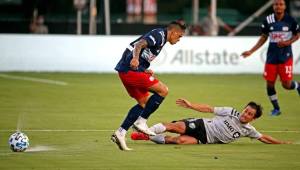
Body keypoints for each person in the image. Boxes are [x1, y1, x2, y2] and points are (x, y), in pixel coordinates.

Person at [111, 19, 186, 151]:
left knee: (144, 103)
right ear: (173, 32)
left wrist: (142, 68)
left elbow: (141, 52)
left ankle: (120, 133)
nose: (179, 39)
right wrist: (134, 59)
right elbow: (139, 44)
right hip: (129, 71)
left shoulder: (162, 39)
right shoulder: (159, 34)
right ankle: (141, 121)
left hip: (130, 70)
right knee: (163, 90)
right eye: (180, 36)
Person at [131, 98, 291, 145]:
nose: (245, 114)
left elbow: (263, 138)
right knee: (175, 127)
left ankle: (148, 136)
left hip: (205, 139)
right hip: (202, 124)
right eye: (245, 110)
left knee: (178, 141)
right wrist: (191, 105)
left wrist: (282, 143)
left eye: (249, 114)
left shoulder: (248, 130)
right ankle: (145, 130)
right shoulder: (231, 112)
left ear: (253, 118)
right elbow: (209, 109)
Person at [241, 0, 300, 116]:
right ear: (273, 6)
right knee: (269, 84)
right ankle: (276, 109)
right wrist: (251, 51)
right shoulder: (268, 20)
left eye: (281, 4)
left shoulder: (290, 20)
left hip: (285, 57)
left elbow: (297, 35)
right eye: (276, 4)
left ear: (284, 6)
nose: (278, 6)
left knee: (286, 85)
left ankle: (298, 85)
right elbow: (263, 37)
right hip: (271, 57)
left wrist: (287, 42)